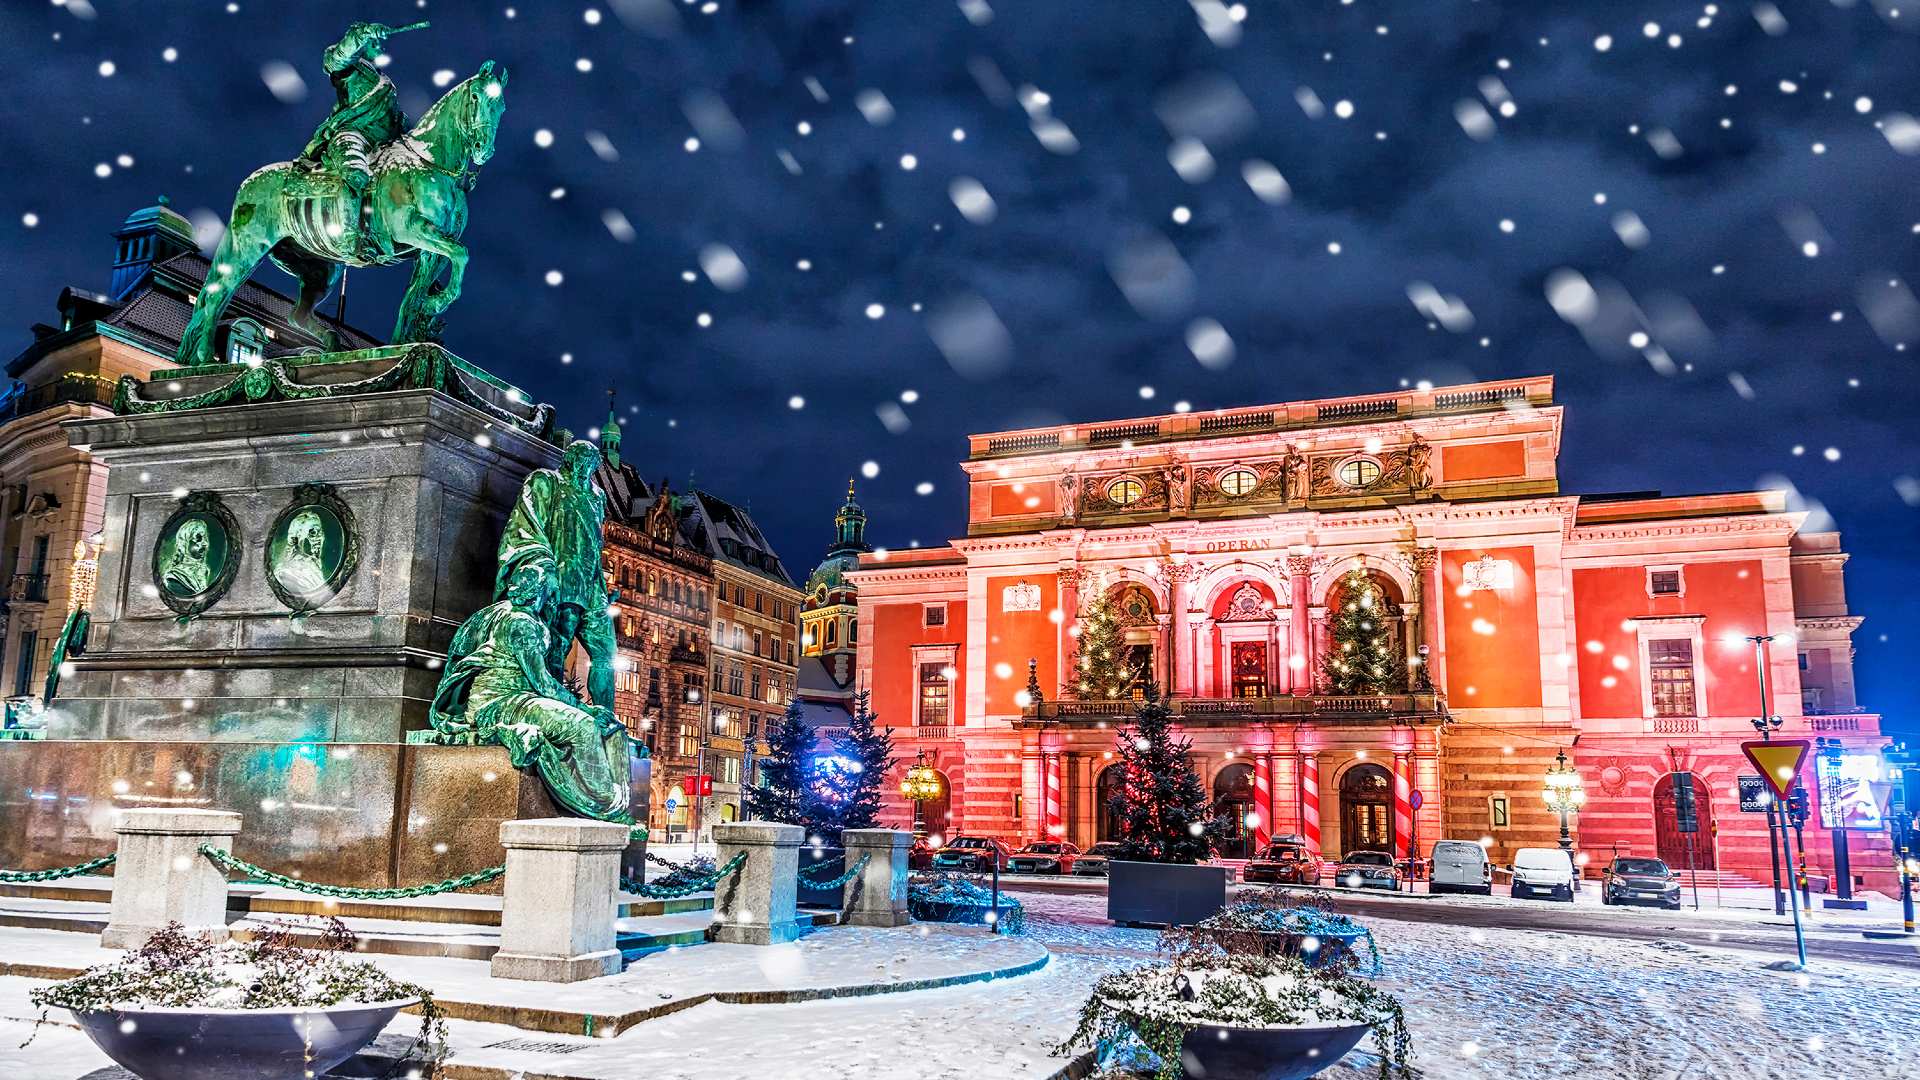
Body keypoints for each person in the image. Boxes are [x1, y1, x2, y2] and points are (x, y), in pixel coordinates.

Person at [428, 559, 630, 821]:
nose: (554, 598)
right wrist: (585, 709)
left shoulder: (505, 613)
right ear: (540, 592)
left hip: (514, 699)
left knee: (608, 728)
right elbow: (543, 683)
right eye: (552, 592)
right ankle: (606, 804)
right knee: (584, 727)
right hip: (501, 703)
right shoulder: (522, 624)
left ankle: (605, 798)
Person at [494, 440, 617, 710]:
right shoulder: (547, 482)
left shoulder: (597, 496)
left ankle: (607, 719)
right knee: (556, 647)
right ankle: (550, 708)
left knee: (607, 653)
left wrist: (603, 587)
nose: (585, 467)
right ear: (569, 459)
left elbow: (596, 544)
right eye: (581, 460)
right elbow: (526, 527)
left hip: (592, 586)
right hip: (562, 580)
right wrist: (543, 569)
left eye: (591, 463)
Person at [301, 21, 424, 257]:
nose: (380, 46)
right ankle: (350, 237)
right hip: (352, 135)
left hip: (383, 146)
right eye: (375, 42)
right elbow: (338, 57)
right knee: (355, 172)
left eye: (378, 41)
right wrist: (363, 32)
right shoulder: (348, 66)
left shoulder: (385, 82)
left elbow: (394, 124)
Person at [274, 509, 330, 597]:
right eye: (313, 532)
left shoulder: (314, 566)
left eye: (320, 532)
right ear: (298, 535)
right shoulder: (287, 571)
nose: (319, 537)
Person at [161, 518, 213, 596]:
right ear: (184, 543)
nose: (205, 543)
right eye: (198, 538)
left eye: (205, 538)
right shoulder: (174, 578)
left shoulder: (204, 572)